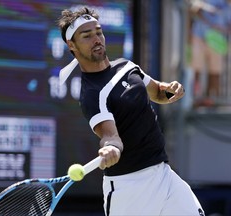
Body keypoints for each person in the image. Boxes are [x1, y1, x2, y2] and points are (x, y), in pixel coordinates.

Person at [57, 7, 204, 216]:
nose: (97, 39)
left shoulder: (127, 67)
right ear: (72, 45)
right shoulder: (92, 94)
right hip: (129, 188)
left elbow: (158, 93)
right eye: (87, 36)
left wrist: (170, 90)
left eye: (98, 32)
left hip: (164, 175)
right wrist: (110, 149)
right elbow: (110, 136)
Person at [189, 0, 231, 107]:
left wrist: (222, 29)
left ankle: (212, 101)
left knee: (215, 72)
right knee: (196, 70)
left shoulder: (227, 7)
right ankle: (194, 99)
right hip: (198, 37)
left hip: (217, 42)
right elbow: (193, 9)